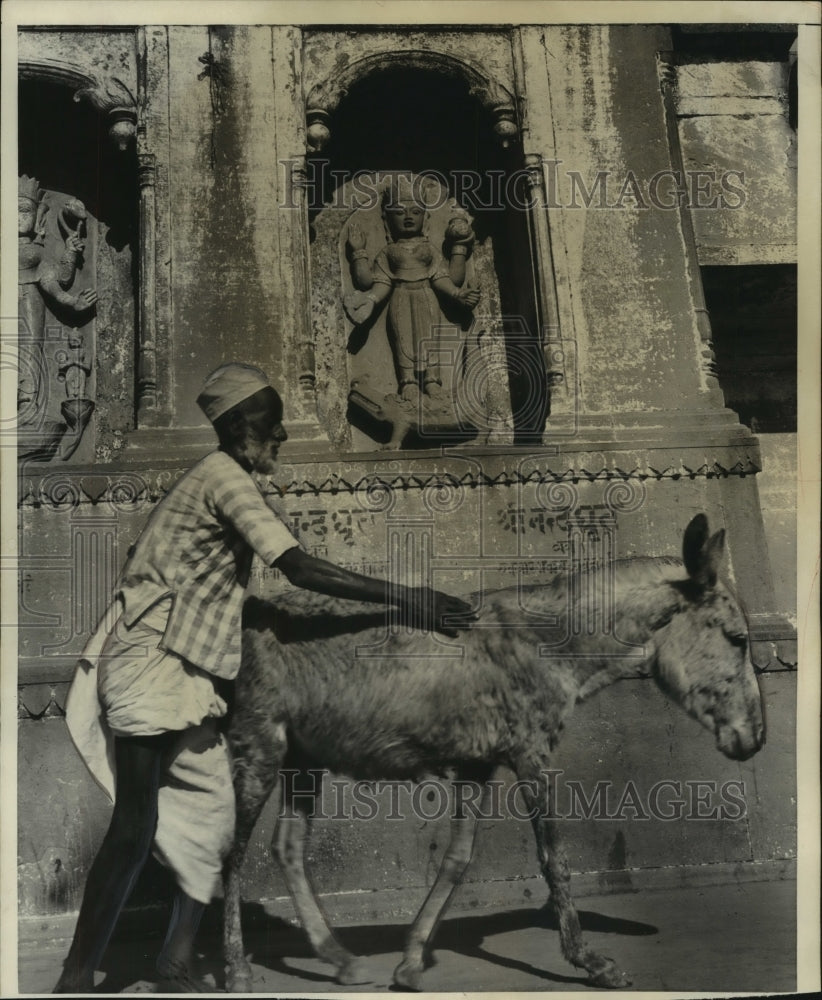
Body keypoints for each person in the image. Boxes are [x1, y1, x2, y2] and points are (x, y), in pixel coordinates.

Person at [54, 362, 475, 993]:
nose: (280, 435)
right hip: (149, 665)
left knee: (216, 816)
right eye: (269, 422)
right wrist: (410, 600)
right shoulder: (224, 478)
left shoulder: (231, 478)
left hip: (186, 672)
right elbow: (299, 568)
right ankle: (74, 978)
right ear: (234, 425)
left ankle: (173, 963)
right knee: (135, 827)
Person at [344, 177, 480, 400]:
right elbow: (374, 283)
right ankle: (408, 383)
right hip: (400, 298)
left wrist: (457, 292)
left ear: (425, 218)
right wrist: (359, 253)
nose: (407, 217)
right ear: (387, 219)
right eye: (399, 213)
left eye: (415, 212)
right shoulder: (389, 252)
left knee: (431, 339)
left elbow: (442, 278)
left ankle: (432, 381)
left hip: (427, 297)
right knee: (403, 339)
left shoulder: (429, 250)